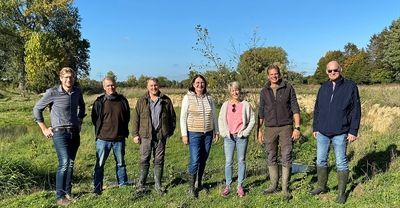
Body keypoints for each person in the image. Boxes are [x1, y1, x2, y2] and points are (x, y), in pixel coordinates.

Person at [33, 67, 85, 206]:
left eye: (71, 77)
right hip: (59, 133)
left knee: (71, 163)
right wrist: (44, 128)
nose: (69, 79)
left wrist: (80, 121)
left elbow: (82, 107)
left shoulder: (77, 91)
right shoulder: (53, 92)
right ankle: (60, 197)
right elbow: (37, 109)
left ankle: (68, 193)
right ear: (61, 78)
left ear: (74, 78)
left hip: (74, 132)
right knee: (65, 162)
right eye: (66, 77)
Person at [310, 60, 361, 204]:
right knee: (320, 159)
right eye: (330, 71)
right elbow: (317, 108)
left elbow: (356, 110)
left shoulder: (350, 86)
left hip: (341, 131)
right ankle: (321, 186)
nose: (333, 73)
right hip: (322, 132)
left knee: (341, 163)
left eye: (335, 70)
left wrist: (353, 130)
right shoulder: (323, 87)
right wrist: (315, 127)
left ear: (340, 69)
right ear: (326, 72)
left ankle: (341, 193)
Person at [257, 64, 301, 201]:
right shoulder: (264, 91)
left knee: (286, 155)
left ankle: (285, 188)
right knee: (271, 155)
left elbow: (295, 107)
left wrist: (297, 127)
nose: (274, 76)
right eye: (271, 74)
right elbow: (261, 112)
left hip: (286, 127)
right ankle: (273, 185)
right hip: (269, 128)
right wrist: (259, 131)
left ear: (279, 74)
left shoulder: (288, 87)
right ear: (268, 76)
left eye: (276, 73)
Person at [132, 78, 176, 195]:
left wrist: (168, 132)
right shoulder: (142, 100)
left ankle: (158, 184)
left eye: (155, 85)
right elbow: (136, 118)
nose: (153, 88)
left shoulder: (166, 100)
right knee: (144, 159)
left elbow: (172, 117)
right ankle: (141, 183)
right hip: (145, 135)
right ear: (147, 87)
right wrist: (135, 134)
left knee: (159, 160)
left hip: (160, 135)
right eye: (151, 86)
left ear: (158, 86)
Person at [180, 74, 219, 198]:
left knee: (203, 159)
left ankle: (199, 183)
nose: (200, 85)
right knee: (195, 160)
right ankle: (191, 188)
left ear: (205, 84)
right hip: (194, 133)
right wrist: (184, 134)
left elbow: (214, 116)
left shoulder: (209, 98)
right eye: (197, 83)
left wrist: (216, 131)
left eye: (202, 83)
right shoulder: (188, 98)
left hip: (208, 133)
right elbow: (182, 117)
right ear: (193, 84)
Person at [91, 76, 130, 195]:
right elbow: (94, 118)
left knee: (121, 164)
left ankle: (123, 185)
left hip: (119, 139)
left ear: (116, 85)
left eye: (112, 85)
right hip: (103, 139)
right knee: (100, 165)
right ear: (104, 87)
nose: (110, 87)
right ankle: (97, 188)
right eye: (108, 85)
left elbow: (127, 117)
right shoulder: (99, 101)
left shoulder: (122, 100)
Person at [218, 81, 255, 198]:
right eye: (233, 90)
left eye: (237, 89)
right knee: (228, 162)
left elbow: (252, 120)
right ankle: (228, 186)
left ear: (240, 90)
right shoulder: (225, 105)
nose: (235, 92)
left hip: (241, 137)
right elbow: (220, 119)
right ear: (230, 92)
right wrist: (224, 133)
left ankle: (240, 185)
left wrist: (245, 132)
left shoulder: (245, 104)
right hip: (229, 138)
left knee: (241, 161)